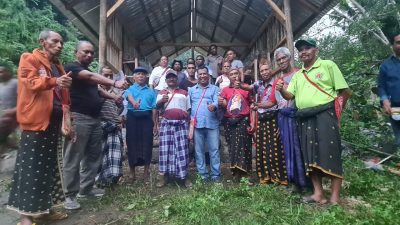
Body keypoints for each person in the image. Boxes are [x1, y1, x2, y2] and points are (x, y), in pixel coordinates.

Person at [7, 30, 73, 225]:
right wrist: (54, 81)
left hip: (53, 124)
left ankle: (45, 211)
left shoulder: (58, 66)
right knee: (30, 170)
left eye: (61, 42)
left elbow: (64, 97)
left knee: (50, 169)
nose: (60, 45)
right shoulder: (29, 58)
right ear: (43, 42)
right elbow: (30, 82)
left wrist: (69, 121)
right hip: (35, 124)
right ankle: (25, 217)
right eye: (55, 41)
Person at [276, 38, 351, 204]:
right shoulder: (298, 75)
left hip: (325, 115)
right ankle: (318, 194)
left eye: (307, 48)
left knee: (331, 153)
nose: (303, 52)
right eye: (300, 49)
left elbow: (344, 92)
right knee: (309, 157)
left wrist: (337, 114)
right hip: (304, 117)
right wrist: (281, 90)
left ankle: (335, 197)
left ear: (316, 49)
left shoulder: (328, 65)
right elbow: (290, 96)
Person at [63, 40, 127, 210]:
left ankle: (86, 189)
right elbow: (91, 78)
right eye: (85, 52)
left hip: (94, 118)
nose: (89, 55)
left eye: (92, 53)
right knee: (73, 156)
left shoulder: (89, 72)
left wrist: (113, 97)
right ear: (76, 52)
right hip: (79, 117)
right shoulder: (72, 68)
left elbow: (97, 90)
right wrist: (114, 83)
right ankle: (69, 195)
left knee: (93, 156)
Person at [240, 62, 287, 185]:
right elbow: (248, 88)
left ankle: (278, 178)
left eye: (266, 69)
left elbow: (274, 102)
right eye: (262, 71)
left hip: (273, 119)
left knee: (274, 149)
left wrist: (257, 105)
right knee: (262, 148)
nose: (265, 72)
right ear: (259, 73)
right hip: (261, 120)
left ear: (271, 70)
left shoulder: (277, 83)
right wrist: (238, 84)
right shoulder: (258, 84)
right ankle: (265, 177)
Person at [270, 47, 307, 189]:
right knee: (287, 149)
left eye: (283, 58)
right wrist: (257, 105)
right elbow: (274, 103)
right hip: (283, 118)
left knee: (301, 148)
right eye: (278, 60)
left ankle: (306, 182)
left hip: (298, 116)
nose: (281, 61)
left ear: (289, 58)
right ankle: (292, 181)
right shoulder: (277, 81)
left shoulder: (300, 74)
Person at [156, 71, 191, 188]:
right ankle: (163, 177)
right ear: (166, 81)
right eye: (169, 78)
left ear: (177, 80)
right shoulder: (162, 92)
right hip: (166, 124)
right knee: (165, 151)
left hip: (181, 125)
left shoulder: (184, 93)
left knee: (182, 151)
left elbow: (188, 110)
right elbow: (156, 107)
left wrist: (189, 126)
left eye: (173, 78)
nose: (171, 79)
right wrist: (162, 101)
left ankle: (184, 177)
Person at [219, 68, 253, 183]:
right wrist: (221, 102)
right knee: (233, 147)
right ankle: (236, 172)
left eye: (236, 74)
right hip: (230, 121)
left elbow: (252, 105)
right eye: (231, 74)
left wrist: (252, 122)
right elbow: (223, 105)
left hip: (243, 120)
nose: (234, 76)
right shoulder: (225, 90)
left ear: (239, 75)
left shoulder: (246, 88)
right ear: (228, 77)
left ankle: (246, 172)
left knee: (244, 146)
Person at [124, 67, 157, 183]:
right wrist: (134, 103)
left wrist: (155, 124)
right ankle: (132, 173)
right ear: (134, 77)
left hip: (147, 119)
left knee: (147, 144)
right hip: (133, 118)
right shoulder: (130, 89)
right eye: (138, 74)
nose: (141, 76)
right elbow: (129, 97)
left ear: (146, 77)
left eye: (143, 74)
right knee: (132, 143)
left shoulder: (151, 91)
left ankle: (145, 173)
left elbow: (154, 109)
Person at [188, 67, 221, 182]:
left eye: (204, 74)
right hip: (197, 124)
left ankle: (215, 174)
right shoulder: (191, 90)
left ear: (208, 75)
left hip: (212, 123)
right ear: (197, 76)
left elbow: (217, 101)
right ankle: (203, 174)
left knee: (214, 150)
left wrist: (214, 106)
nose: (202, 76)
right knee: (198, 150)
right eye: (200, 74)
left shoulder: (215, 89)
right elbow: (189, 106)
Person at [96, 66, 124, 188]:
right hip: (102, 126)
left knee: (114, 155)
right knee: (101, 155)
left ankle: (112, 180)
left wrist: (119, 104)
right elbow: (94, 107)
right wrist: (108, 95)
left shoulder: (115, 91)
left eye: (110, 76)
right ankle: (99, 180)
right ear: (100, 75)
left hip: (115, 126)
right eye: (105, 75)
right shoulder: (96, 90)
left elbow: (118, 110)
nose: (108, 78)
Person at [378, 32, 400, 147]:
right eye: (398, 43)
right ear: (393, 45)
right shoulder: (386, 66)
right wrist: (384, 100)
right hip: (396, 108)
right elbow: (381, 86)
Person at [0, 63, 18, 153]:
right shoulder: (1, 85)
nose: (0, 74)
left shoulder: (15, 83)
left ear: (8, 72)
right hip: (4, 118)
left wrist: (14, 110)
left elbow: (24, 100)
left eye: (2, 71)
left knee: (17, 143)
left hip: (17, 119)